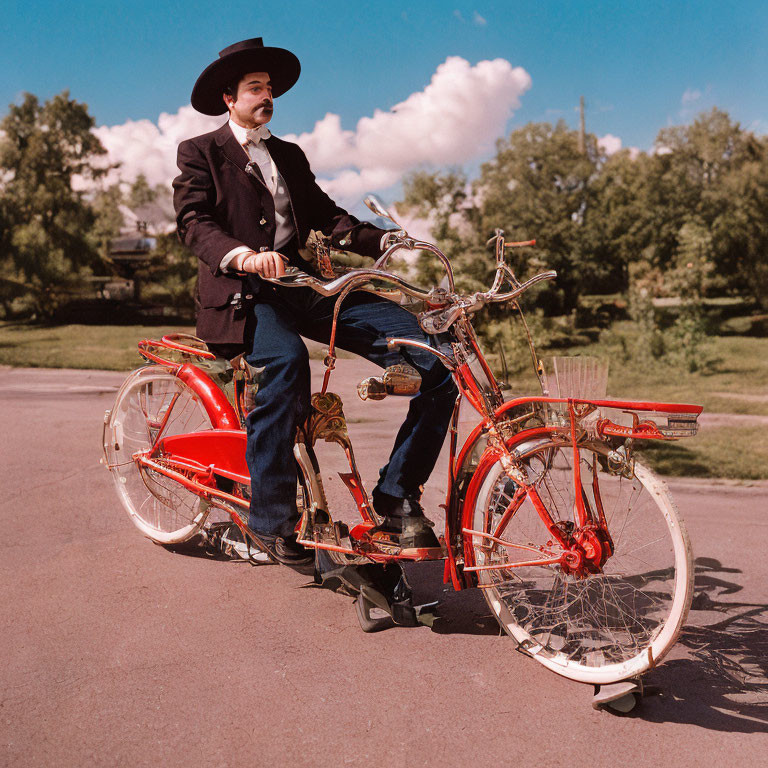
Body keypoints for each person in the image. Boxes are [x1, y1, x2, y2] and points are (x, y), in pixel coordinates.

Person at [173, 38, 456, 565]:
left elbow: (326, 216)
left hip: (300, 286)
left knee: (438, 353)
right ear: (228, 97)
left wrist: (382, 240)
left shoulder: (289, 155)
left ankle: (396, 496)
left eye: (270, 88)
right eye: (255, 87)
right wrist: (241, 255)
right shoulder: (201, 152)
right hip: (243, 294)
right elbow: (193, 223)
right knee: (285, 364)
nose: (267, 96)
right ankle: (271, 520)